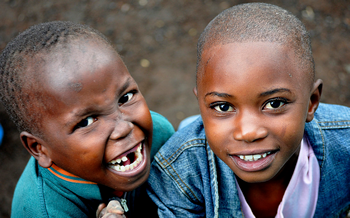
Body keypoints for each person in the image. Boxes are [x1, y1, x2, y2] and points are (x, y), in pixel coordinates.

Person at [146, 3, 350, 218]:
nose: (249, 132)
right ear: (201, 104)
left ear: (311, 102)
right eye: (222, 107)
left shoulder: (345, 142)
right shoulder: (178, 174)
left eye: (274, 103)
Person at [0, 21, 174, 217]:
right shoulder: (43, 212)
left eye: (125, 98)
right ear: (39, 148)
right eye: (86, 122)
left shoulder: (160, 136)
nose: (123, 128)